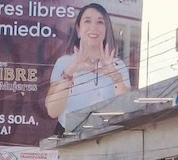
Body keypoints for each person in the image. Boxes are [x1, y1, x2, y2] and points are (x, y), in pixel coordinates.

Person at [44, 3, 130, 131]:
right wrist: (70, 71)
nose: (93, 27)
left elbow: (127, 109)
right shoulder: (64, 63)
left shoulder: (118, 65)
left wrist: (116, 77)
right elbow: (52, 111)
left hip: (108, 137)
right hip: (69, 138)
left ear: (107, 30)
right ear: (78, 30)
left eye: (100, 22)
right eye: (87, 21)